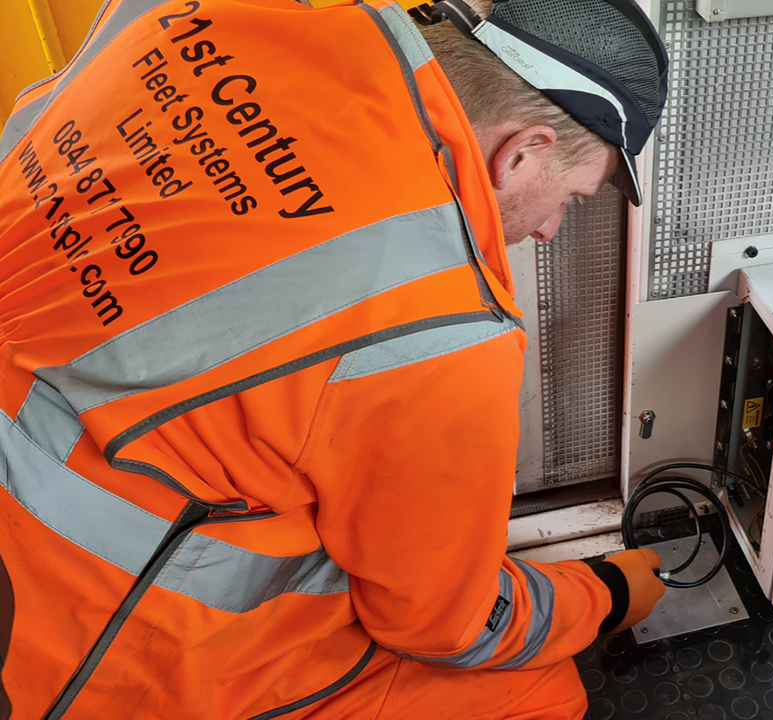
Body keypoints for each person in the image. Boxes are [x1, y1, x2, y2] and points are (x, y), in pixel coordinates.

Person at [0, 0, 669, 716]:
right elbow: (445, 625)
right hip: (75, 641)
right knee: (538, 693)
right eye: (569, 197)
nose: (549, 229)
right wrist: (607, 594)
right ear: (521, 152)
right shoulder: (438, 324)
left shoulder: (189, 16)